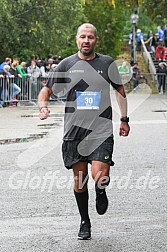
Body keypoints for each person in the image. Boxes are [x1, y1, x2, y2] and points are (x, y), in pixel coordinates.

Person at [38, 23, 130, 240]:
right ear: (76, 39)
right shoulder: (66, 64)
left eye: (90, 37)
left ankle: (101, 189)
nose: (86, 40)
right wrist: (43, 106)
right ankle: (84, 221)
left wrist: (124, 119)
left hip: (100, 130)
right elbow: (46, 90)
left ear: (95, 40)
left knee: (100, 174)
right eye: (82, 37)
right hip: (74, 132)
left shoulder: (107, 63)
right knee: (80, 181)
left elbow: (120, 91)